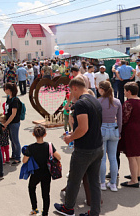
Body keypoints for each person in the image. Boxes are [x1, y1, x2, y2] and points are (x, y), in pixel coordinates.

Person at [54, 77, 103, 216]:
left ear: (75, 87)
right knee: (94, 182)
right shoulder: (95, 100)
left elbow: (83, 128)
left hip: (84, 149)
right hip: (97, 146)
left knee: (74, 180)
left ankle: (68, 208)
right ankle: (94, 212)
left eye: (70, 90)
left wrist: (70, 137)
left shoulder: (81, 103)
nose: (71, 93)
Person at [23, 126, 61, 216]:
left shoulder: (31, 147)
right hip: (47, 173)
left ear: (33, 134)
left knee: (31, 188)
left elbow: (24, 160)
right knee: (46, 193)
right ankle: (45, 213)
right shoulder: (49, 146)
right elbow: (58, 157)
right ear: (45, 134)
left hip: (35, 173)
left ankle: (34, 208)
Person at [98, 81, 122, 192]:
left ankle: (102, 182)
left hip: (102, 129)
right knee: (113, 158)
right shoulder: (117, 101)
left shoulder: (98, 101)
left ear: (102, 89)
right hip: (114, 129)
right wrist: (119, 132)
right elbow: (120, 120)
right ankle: (113, 184)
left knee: (102, 158)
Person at [118, 82, 140, 188]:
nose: (124, 93)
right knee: (138, 154)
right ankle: (137, 174)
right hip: (139, 128)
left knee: (131, 156)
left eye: (125, 91)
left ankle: (134, 180)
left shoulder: (128, 103)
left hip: (131, 130)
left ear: (129, 91)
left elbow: (124, 119)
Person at [2, 82, 22, 165]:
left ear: (9, 90)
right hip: (10, 122)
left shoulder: (15, 100)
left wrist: (6, 123)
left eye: (5, 89)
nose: (4, 90)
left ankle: (18, 157)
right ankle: (14, 155)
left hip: (14, 123)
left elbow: (13, 114)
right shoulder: (9, 98)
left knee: (15, 140)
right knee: (12, 139)